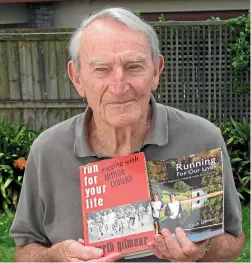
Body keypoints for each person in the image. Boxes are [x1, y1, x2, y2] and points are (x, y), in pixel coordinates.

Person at [10, 7, 245, 262]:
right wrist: (57, 257)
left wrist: (203, 250)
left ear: (156, 71)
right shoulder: (48, 151)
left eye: (134, 66)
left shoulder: (201, 139)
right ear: (77, 78)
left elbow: (234, 241)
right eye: (101, 69)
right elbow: (25, 251)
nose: (119, 86)